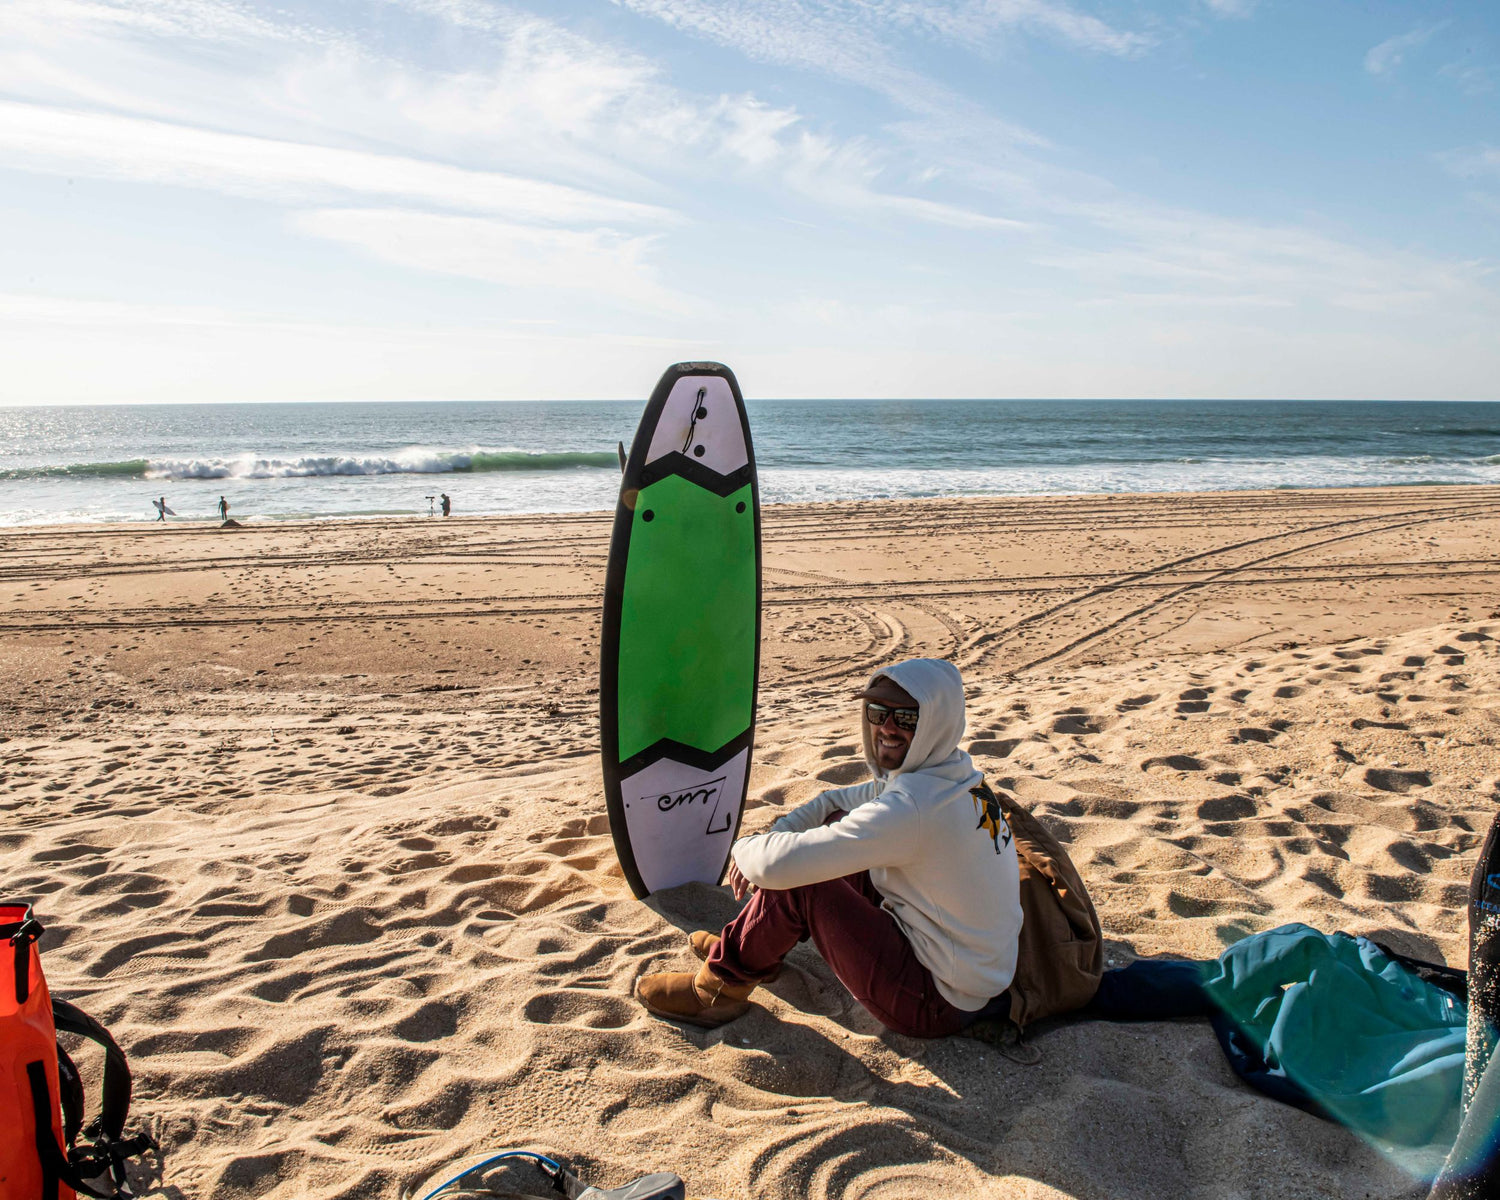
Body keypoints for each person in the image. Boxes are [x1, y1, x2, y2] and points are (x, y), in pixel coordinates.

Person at [636, 658, 1022, 1036]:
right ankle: (756, 946)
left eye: (906, 718)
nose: (886, 728)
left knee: (804, 880)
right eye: (876, 712)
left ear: (935, 724)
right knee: (829, 832)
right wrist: (778, 834)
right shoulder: (953, 774)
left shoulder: (912, 809)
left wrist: (744, 848)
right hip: (966, 971)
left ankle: (717, 990)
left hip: (936, 1001)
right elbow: (836, 802)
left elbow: (780, 866)